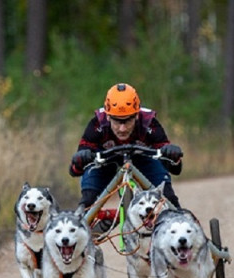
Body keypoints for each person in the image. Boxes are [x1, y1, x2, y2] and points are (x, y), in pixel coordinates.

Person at [69, 83, 183, 213]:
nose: (122, 129)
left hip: (143, 159)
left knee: (168, 198)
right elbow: (74, 171)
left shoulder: (149, 122)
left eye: (128, 121)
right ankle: (87, 223)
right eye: (117, 121)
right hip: (105, 162)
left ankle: (179, 220)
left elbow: (175, 169)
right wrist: (80, 159)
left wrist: (173, 156)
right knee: (87, 201)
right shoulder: (97, 124)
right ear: (107, 116)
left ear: (136, 115)